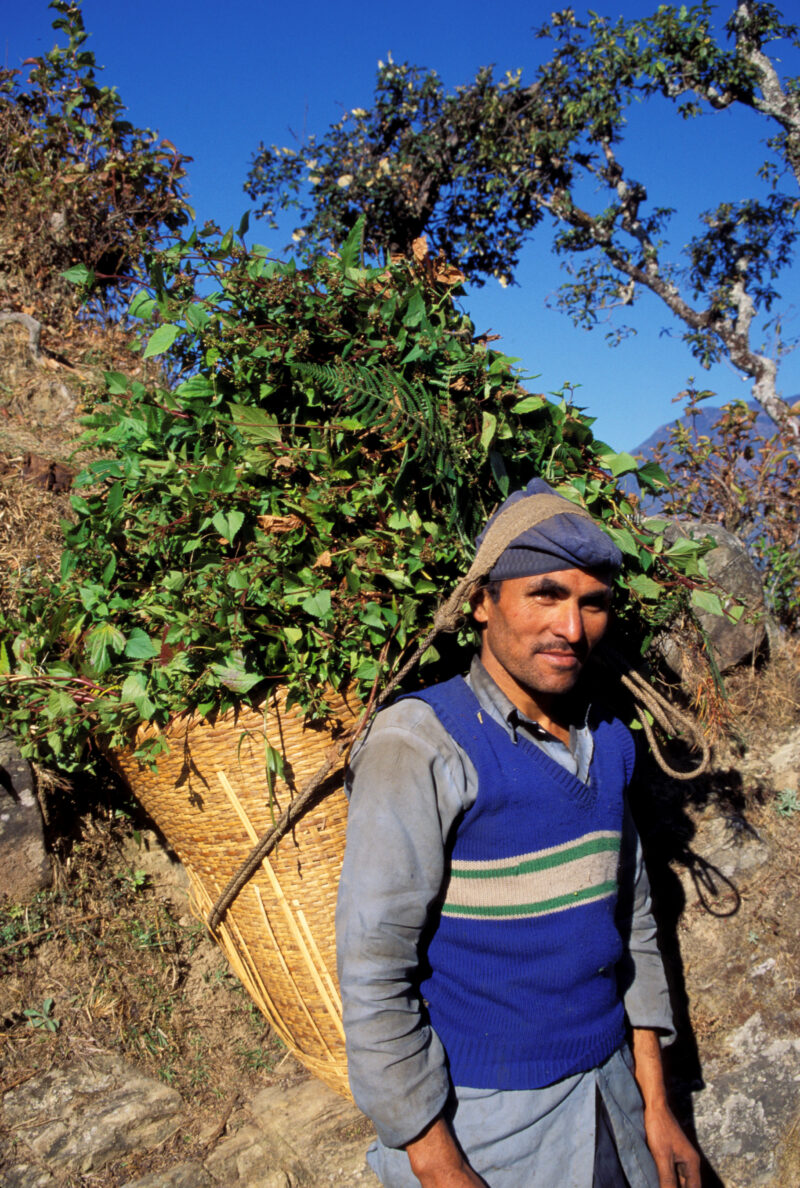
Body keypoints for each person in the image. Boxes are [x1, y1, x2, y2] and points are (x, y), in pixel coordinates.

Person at [336, 479, 701, 1188]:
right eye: (545, 595)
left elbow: (635, 925)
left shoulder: (608, 742)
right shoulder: (421, 745)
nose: (572, 628)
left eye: (592, 603)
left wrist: (658, 1107)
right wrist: (440, 1166)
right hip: (486, 1127)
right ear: (481, 601)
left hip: (615, 1095)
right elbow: (374, 971)